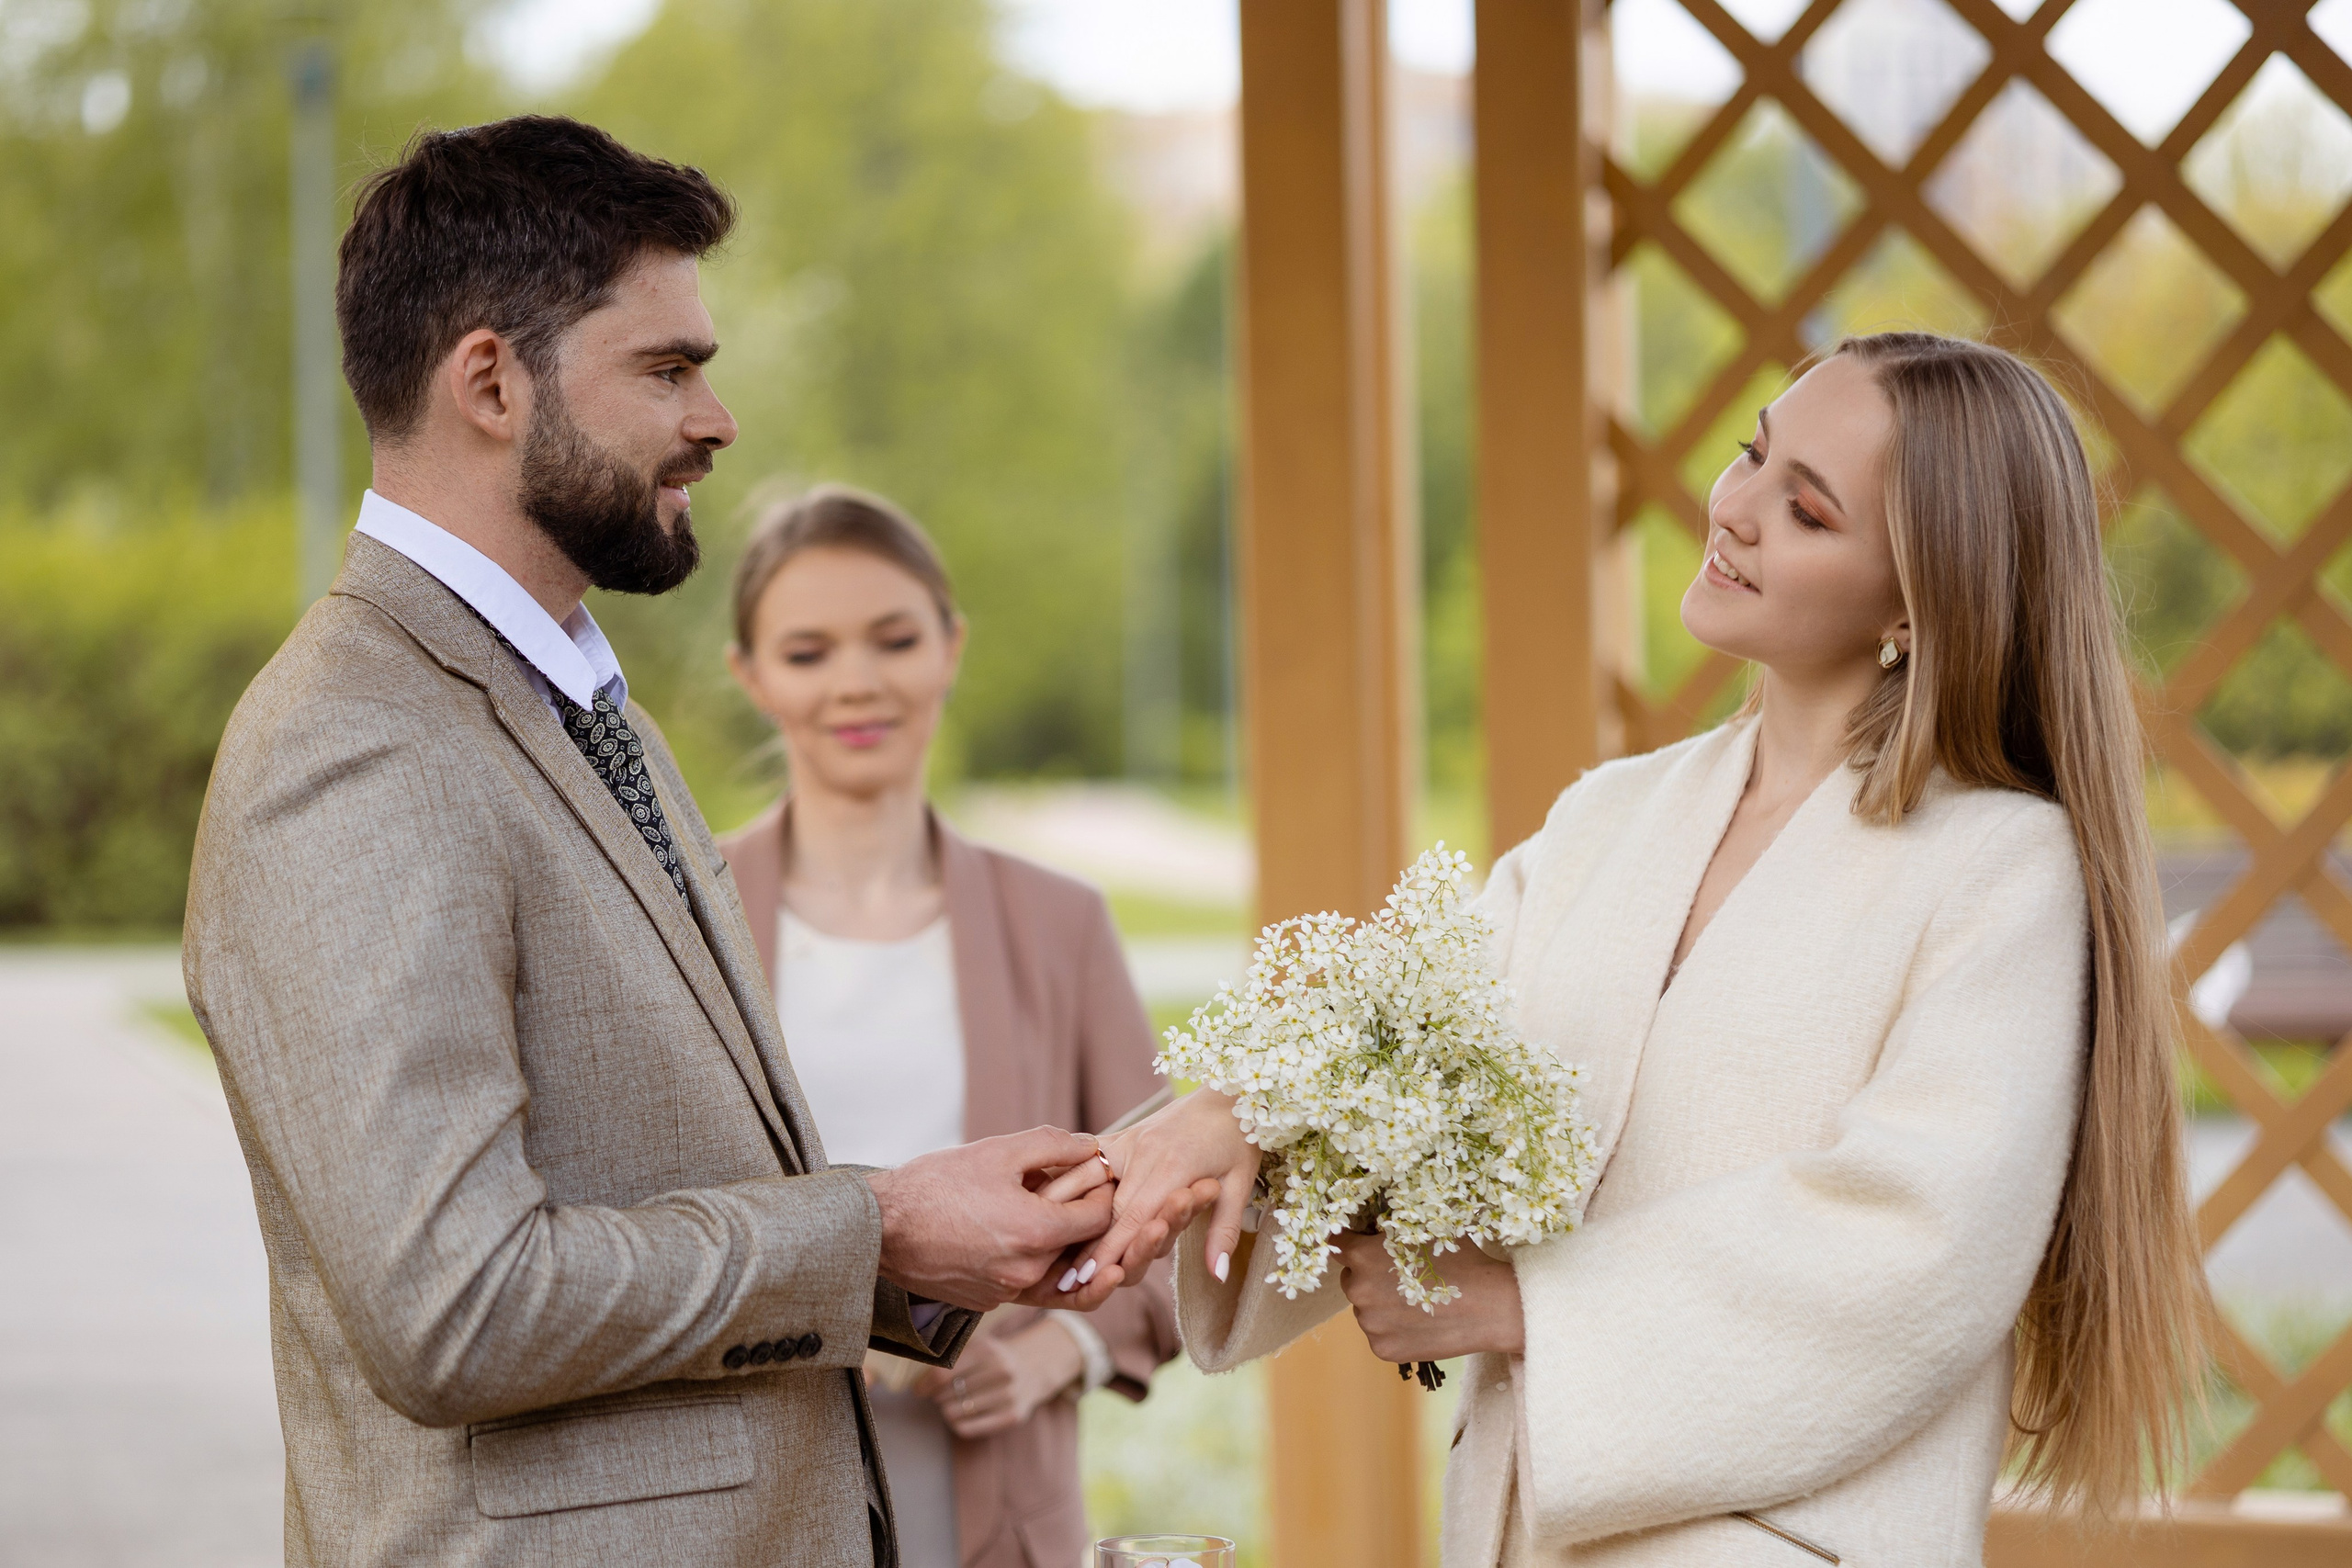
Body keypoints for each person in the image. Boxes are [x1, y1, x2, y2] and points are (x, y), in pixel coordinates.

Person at [183, 117, 1194, 1568]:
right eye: (667, 369)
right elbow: (456, 1304)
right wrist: (883, 1228)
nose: (716, 420)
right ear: (487, 379)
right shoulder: (355, 746)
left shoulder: (591, 708)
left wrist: (934, 1250)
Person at [1060, 333, 2211, 1564]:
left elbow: (1918, 1234)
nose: (1737, 509)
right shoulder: (1613, 815)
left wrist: (1522, 1304)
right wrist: (1228, 1121)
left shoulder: (2000, 867)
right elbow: (1413, 1037)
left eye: (1808, 507)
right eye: (1754, 452)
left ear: (1918, 598)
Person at [713, 485, 1180, 1568]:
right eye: (808, 651)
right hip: (752, 1494)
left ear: (950, 647)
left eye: (893, 638)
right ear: (750, 675)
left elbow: (1169, 1211)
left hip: (993, 1494)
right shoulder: (681, 915)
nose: (857, 683)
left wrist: (1059, 1347)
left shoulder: (1061, 924)